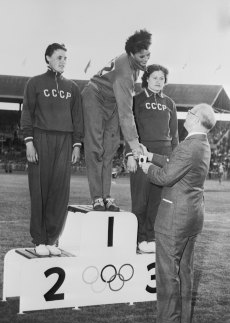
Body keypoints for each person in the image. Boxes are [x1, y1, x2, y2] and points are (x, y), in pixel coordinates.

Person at [138, 103, 216, 323]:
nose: (188, 114)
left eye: (191, 112)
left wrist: (146, 167)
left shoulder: (188, 146)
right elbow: (175, 163)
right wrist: (151, 155)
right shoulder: (201, 144)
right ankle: (182, 322)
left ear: (196, 119)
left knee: (167, 271)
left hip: (174, 217)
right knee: (184, 270)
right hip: (192, 215)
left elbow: (164, 177)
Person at [20, 43, 84, 256]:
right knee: (40, 190)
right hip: (40, 138)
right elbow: (27, 112)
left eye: (65, 57)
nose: (63, 61)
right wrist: (29, 141)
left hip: (65, 141)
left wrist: (76, 144)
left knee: (59, 192)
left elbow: (77, 118)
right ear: (47, 58)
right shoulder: (35, 83)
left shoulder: (72, 88)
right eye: (59, 57)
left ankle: (51, 240)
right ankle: (39, 239)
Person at [82, 29, 152, 211]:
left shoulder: (132, 65)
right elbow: (126, 113)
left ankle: (106, 196)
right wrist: (135, 146)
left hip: (110, 102)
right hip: (94, 97)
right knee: (95, 148)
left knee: (110, 149)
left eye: (148, 55)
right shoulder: (125, 73)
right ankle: (97, 197)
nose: (146, 59)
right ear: (131, 54)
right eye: (141, 55)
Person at [126, 64, 178, 254]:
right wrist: (130, 154)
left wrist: (174, 160)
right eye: (154, 77)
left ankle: (150, 237)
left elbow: (175, 136)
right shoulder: (136, 100)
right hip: (142, 150)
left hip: (163, 154)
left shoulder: (170, 103)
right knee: (141, 199)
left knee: (157, 200)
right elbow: (128, 129)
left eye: (162, 78)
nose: (158, 81)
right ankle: (139, 238)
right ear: (146, 78)